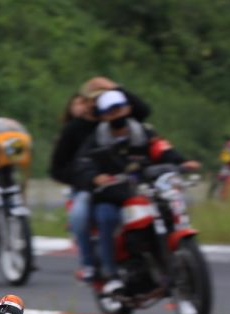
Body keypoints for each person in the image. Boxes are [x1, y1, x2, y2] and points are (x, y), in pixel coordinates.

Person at [72, 90, 200, 292]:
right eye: (110, 111)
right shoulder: (96, 138)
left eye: (119, 108)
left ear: (128, 108)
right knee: (106, 217)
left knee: (166, 207)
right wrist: (95, 177)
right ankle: (111, 273)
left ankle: (165, 258)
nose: (116, 114)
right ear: (104, 115)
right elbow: (83, 164)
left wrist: (182, 162)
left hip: (143, 189)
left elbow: (162, 148)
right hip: (110, 194)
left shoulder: (143, 132)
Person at [49, 77, 151, 281]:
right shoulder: (74, 129)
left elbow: (142, 110)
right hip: (89, 185)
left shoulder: (116, 121)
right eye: (92, 100)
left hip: (123, 181)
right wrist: (89, 179)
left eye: (103, 99)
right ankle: (88, 263)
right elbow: (58, 168)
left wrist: (114, 86)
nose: (98, 104)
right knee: (80, 214)